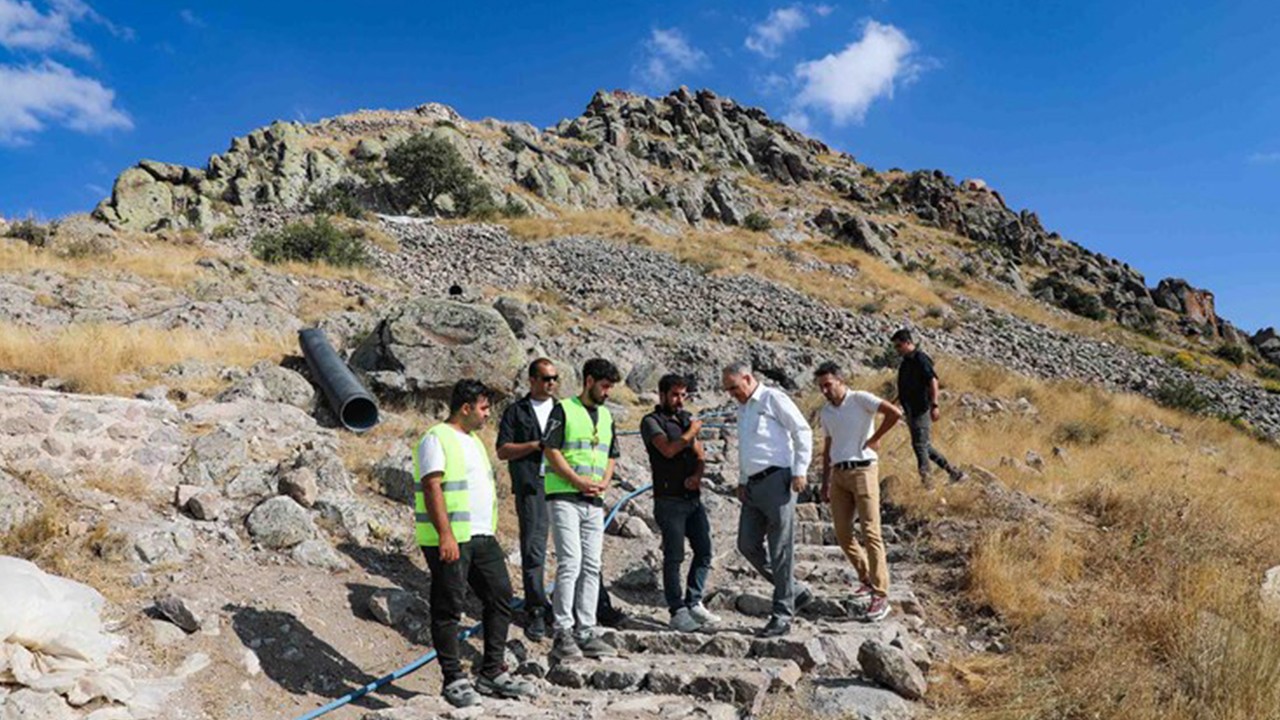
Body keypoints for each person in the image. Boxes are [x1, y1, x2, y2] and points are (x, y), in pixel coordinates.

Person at [413, 380, 535, 707]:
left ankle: (492, 671)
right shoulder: (436, 438)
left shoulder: (475, 442)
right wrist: (446, 534)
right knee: (449, 604)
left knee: (501, 596)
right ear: (465, 408)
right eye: (483, 408)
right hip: (452, 537)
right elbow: (432, 487)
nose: (487, 415)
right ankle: (453, 679)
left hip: (482, 536)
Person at [721, 362, 814, 638]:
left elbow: (802, 431)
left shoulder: (774, 399)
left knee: (780, 548)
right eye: (727, 390)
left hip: (779, 480)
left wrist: (800, 470)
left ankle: (782, 614)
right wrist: (741, 479)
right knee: (747, 544)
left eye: (734, 387)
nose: (731, 394)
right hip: (753, 485)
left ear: (748, 379)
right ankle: (794, 590)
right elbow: (747, 446)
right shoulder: (743, 407)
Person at [542, 358, 622, 661]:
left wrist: (603, 481)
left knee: (592, 565)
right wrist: (576, 480)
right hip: (564, 496)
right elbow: (551, 450)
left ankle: (586, 630)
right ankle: (562, 630)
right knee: (570, 563)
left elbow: (611, 453)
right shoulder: (564, 410)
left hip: (593, 501)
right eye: (604, 386)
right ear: (589, 381)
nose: (607, 392)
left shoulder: (606, 416)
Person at [815, 361, 902, 622]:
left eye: (828, 385)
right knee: (842, 533)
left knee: (871, 531)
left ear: (841, 381)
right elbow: (829, 445)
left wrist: (876, 439)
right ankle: (865, 577)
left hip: (864, 469)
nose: (825, 391)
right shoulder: (827, 412)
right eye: (821, 387)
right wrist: (825, 481)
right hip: (840, 473)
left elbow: (894, 413)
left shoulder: (860, 399)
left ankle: (880, 594)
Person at [640, 373, 719, 633]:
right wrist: (691, 433)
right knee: (674, 556)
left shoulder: (685, 419)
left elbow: (699, 454)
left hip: (692, 499)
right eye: (675, 395)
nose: (680, 400)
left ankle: (694, 601)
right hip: (668, 500)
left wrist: (697, 476)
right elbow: (668, 450)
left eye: (683, 395)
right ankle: (677, 610)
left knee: (704, 551)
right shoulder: (651, 422)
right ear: (662, 395)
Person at [496, 358, 559, 642]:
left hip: (564, 485)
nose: (551, 384)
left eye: (554, 378)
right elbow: (503, 450)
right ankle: (535, 609)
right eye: (546, 379)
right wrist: (535, 446)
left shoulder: (563, 410)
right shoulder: (515, 412)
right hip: (533, 486)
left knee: (575, 549)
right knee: (534, 549)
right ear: (532, 380)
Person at [891, 329, 965, 486]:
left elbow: (933, 380)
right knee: (925, 445)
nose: (897, 349)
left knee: (919, 446)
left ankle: (928, 484)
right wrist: (895, 403)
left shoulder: (920, 359)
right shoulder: (905, 362)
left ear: (908, 342)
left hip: (921, 408)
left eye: (898, 346)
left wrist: (935, 405)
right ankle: (954, 473)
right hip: (910, 410)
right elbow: (905, 387)